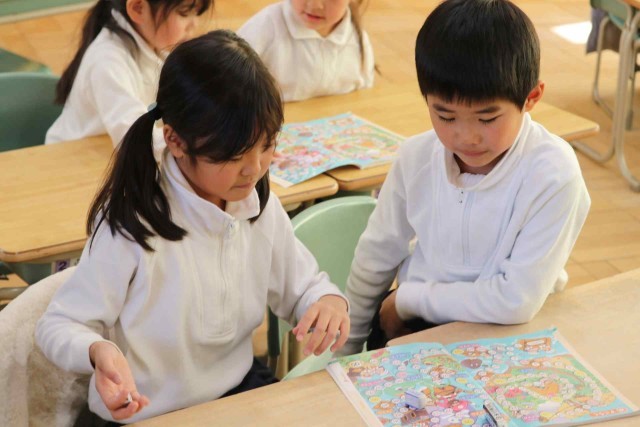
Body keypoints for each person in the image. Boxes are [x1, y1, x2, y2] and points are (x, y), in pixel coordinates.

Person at [36, 30, 350, 425]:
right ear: (175, 140)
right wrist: (98, 351)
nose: (254, 168)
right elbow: (59, 324)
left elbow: (303, 287)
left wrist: (327, 301)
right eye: (234, 155)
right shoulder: (133, 221)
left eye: (267, 145)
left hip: (234, 392)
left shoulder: (255, 203)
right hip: (145, 412)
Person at [339, 0, 591, 355]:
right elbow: (375, 255)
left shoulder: (553, 173)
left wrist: (409, 298)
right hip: (415, 326)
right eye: (445, 116)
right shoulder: (416, 157)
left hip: (512, 335)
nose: (466, 137)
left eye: (487, 119)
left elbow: (516, 300)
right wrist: (347, 350)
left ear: (531, 97)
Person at [45, 0, 212, 158]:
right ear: (138, 8)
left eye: (197, 12)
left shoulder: (156, 45)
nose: (194, 24)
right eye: (184, 13)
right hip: (66, 160)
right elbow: (136, 139)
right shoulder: (107, 61)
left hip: (103, 151)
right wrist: (200, 145)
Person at [237, 0, 374, 102]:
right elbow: (231, 94)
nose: (315, 5)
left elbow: (363, 96)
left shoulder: (358, 40)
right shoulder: (262, 29)